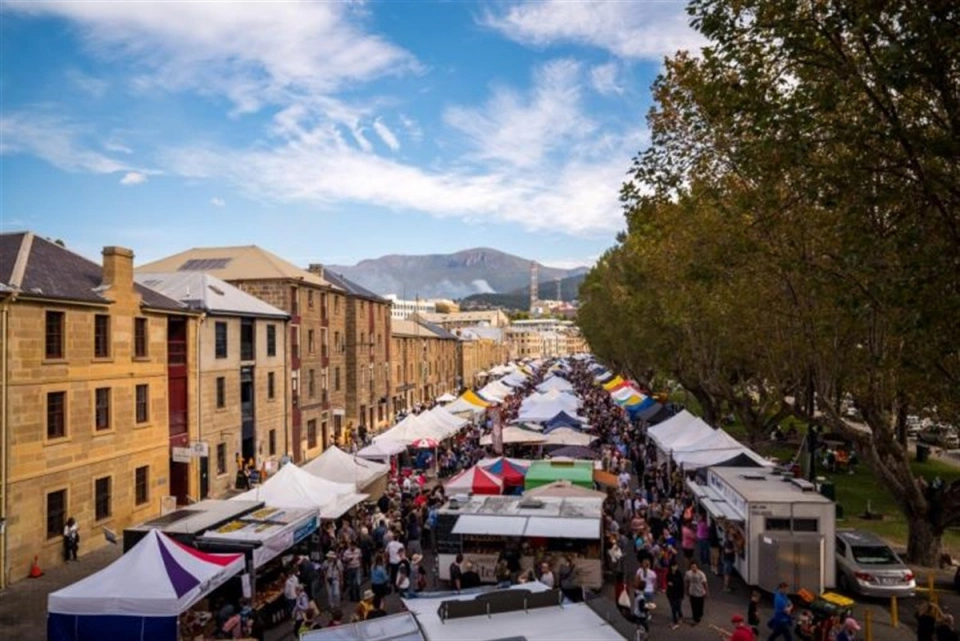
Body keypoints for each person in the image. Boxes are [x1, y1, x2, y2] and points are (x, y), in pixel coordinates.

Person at [685, 561, 709, 625]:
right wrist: (687, 590)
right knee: (693, 605)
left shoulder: (701, 574)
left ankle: (699, 614)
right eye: (692, 567)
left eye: (695, 567)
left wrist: (706, 592)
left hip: (700, 592)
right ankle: (695, 617)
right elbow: (687, 582)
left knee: (700, 605)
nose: (694, 568)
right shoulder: (688, 573)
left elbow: (705, 583)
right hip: (692, 592)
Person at [665, 557, 685, 629]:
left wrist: (682, 595)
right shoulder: (669, 574)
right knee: (673, 607)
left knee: (678, 607)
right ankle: (675, 620)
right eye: (673, 566)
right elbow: (668, 581)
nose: (674, 568)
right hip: (670, 594)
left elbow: (681, 584)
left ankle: (680, 616)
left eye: (675, 566)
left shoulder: (679, 574)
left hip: (678, 593)